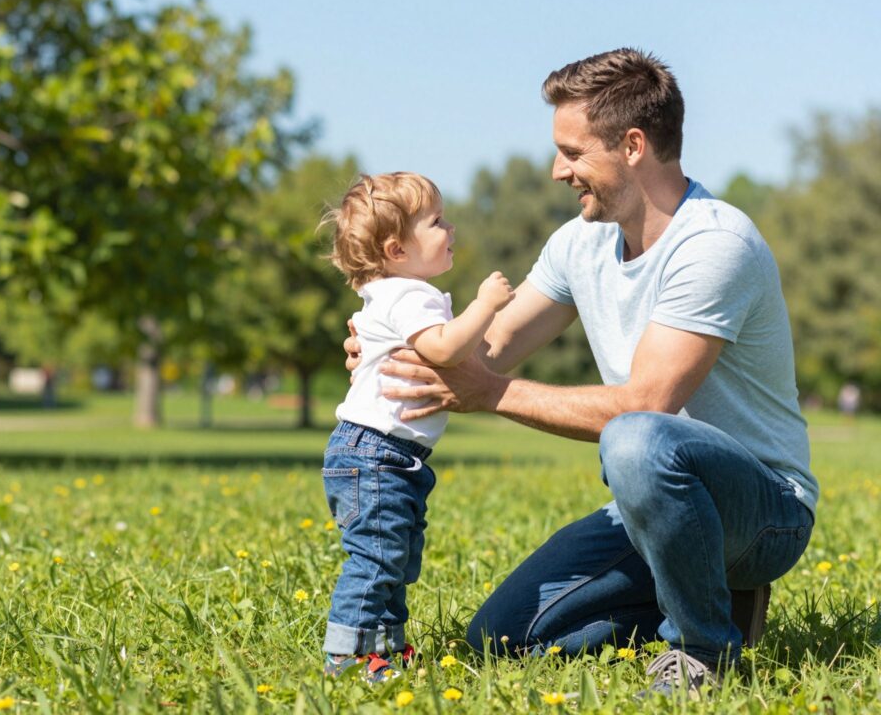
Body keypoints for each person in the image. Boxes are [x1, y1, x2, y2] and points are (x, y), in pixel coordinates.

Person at [346, 49, 817, 698]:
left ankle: (705, 647)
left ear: (631, 145)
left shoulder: (714, 245)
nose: (556, 169)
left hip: (764, 511)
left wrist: (490, 394)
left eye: (571, 151)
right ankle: (693, 595)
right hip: (648, 502)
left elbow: (647, 402)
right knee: (500, 640)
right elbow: (490, 350)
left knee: (635, 437)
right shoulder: (580, 243)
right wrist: (397, 349)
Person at [319, 172, 514, 682]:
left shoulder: (389, 293)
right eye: (436, 221)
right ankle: (346, 655)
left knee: (393, 559)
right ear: (396, 249)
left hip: (375, 454)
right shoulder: (412, 296)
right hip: (378, 454)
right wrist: (485, 305)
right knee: (379, 559)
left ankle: (383, 648)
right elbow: (446, 349)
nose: (450, 228)